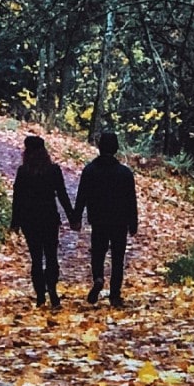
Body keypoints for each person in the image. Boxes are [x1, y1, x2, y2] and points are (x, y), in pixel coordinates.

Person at [70, 130, 138, 308]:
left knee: (98, 253)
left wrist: (76, 217)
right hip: (119, 221)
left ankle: (98, 278)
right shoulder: (125, 173)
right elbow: (131, 199)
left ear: (99, 147)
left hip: (98, 219)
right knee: (118, 257)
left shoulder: (90, 170)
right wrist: (133, 223)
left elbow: (81, 195)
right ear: (116, 148)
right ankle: (115, 295)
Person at [11, 135, 76, 308]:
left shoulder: (23, 171)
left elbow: (17, 198)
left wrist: (15, 222)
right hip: (48, 216)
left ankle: (40, 295)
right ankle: (53, 290)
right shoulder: (53, 170)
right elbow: (62, 194)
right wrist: (71, 217)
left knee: (36, 257)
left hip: (29, 219)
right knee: (51, 255)